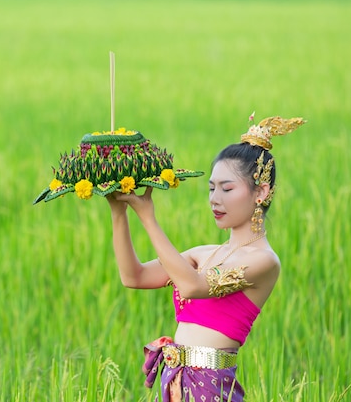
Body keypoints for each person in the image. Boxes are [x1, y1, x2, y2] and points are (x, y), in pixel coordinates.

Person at [105, 116, 305, 401]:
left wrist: (148, 217)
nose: (214, 198)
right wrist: (118, 212)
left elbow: (192, 287)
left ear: (260, 192)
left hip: (211, 388)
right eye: (211, 188)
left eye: (227, 188)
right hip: (175, 383)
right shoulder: (203, 254)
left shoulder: (264, 261)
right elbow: (133, 276)